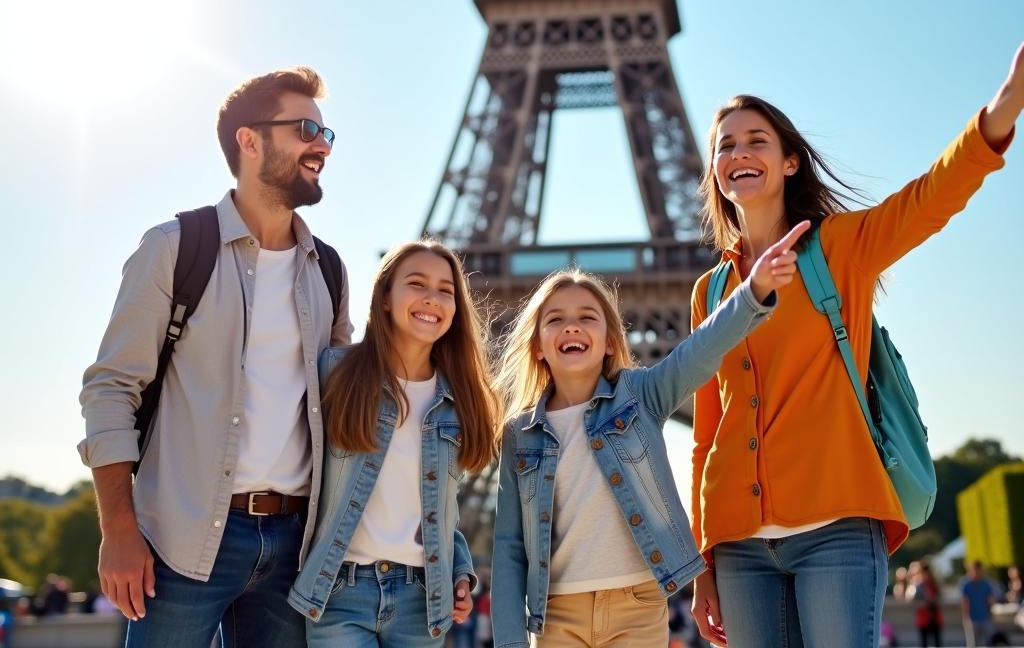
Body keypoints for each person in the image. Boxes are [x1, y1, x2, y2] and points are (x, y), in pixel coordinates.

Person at [690, 43, 1022, 648]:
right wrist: (702, 559)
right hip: (739, 547)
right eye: (725, 145)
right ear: (715, 170)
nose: (739, 152)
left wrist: (1001, 111)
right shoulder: (711, 290)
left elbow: (928, 199)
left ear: (791, 162)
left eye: (756, 140)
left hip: (837, 529)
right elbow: (708, 433)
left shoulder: (839, 249)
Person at [78, 67, 351, 648]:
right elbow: (110, 390)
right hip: (181, 539)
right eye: (305, 129)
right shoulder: (175, 248)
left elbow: (350, 416)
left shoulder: (328, 271)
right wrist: (119, 531)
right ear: (249, 141)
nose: (322, 145)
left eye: (327, 133)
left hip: (295, 546)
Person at [490, 222, 808, 648]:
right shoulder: (519, 435)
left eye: (587, 317)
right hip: (556, 614)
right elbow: (510, 547)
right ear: (536, 346)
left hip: (636, 605)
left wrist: (752, 292)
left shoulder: (639, 396)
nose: (571, 327)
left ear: (608, 341)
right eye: (556, 320)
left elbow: (700, 348)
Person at [289, 240, 499, 646]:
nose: (431, 298)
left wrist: (459, 570)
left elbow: (442, 506)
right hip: (340, 589)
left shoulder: (459, 400)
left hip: (421, 598)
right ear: (385, 298)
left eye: (445, 290)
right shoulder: (336, 372)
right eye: (416, 283)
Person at [960, 560, 997, 648]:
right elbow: (965, 602)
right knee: (973, 644)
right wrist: (965, 617)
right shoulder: (966, 585)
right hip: (972, 619)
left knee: (989, 642)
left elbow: (990, 600)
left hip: (985, 618)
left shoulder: (986, 584)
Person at [906, 560, 943, 647]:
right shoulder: (917, 586)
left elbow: (939, 598)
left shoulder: (934, 584)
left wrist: (933, 600)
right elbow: (912, 601)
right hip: (923, 618)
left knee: (937, 642)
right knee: (924, 643)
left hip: (935, 618)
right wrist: (925, 602)